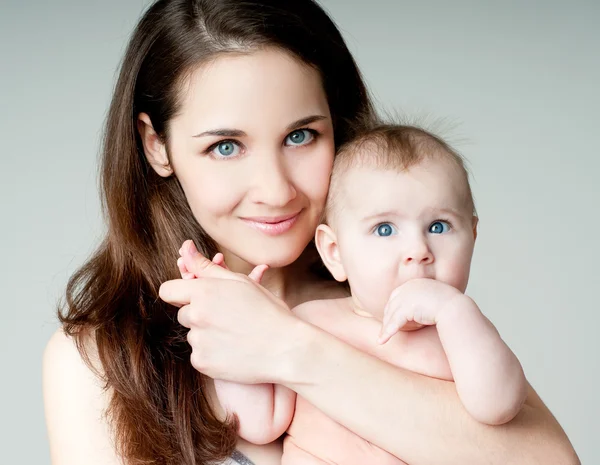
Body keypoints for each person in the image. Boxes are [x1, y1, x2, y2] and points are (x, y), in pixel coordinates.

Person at [42, 0, 579, 464]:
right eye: (225, 147)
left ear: (337, 124)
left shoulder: (391, 301)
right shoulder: (101, 358)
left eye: (301, 136)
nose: (275, 190)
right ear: (157, 145)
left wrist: (288, 347)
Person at [175, 124, 529, 464]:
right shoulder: (308, 322)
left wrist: (455, 311)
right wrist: (229, 324)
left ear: (473, 236)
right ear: (335, 252)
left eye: (439, 226)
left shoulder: (461, 337)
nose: (418, 249)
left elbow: (497, 407)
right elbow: (258, 422)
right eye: (385, 229)